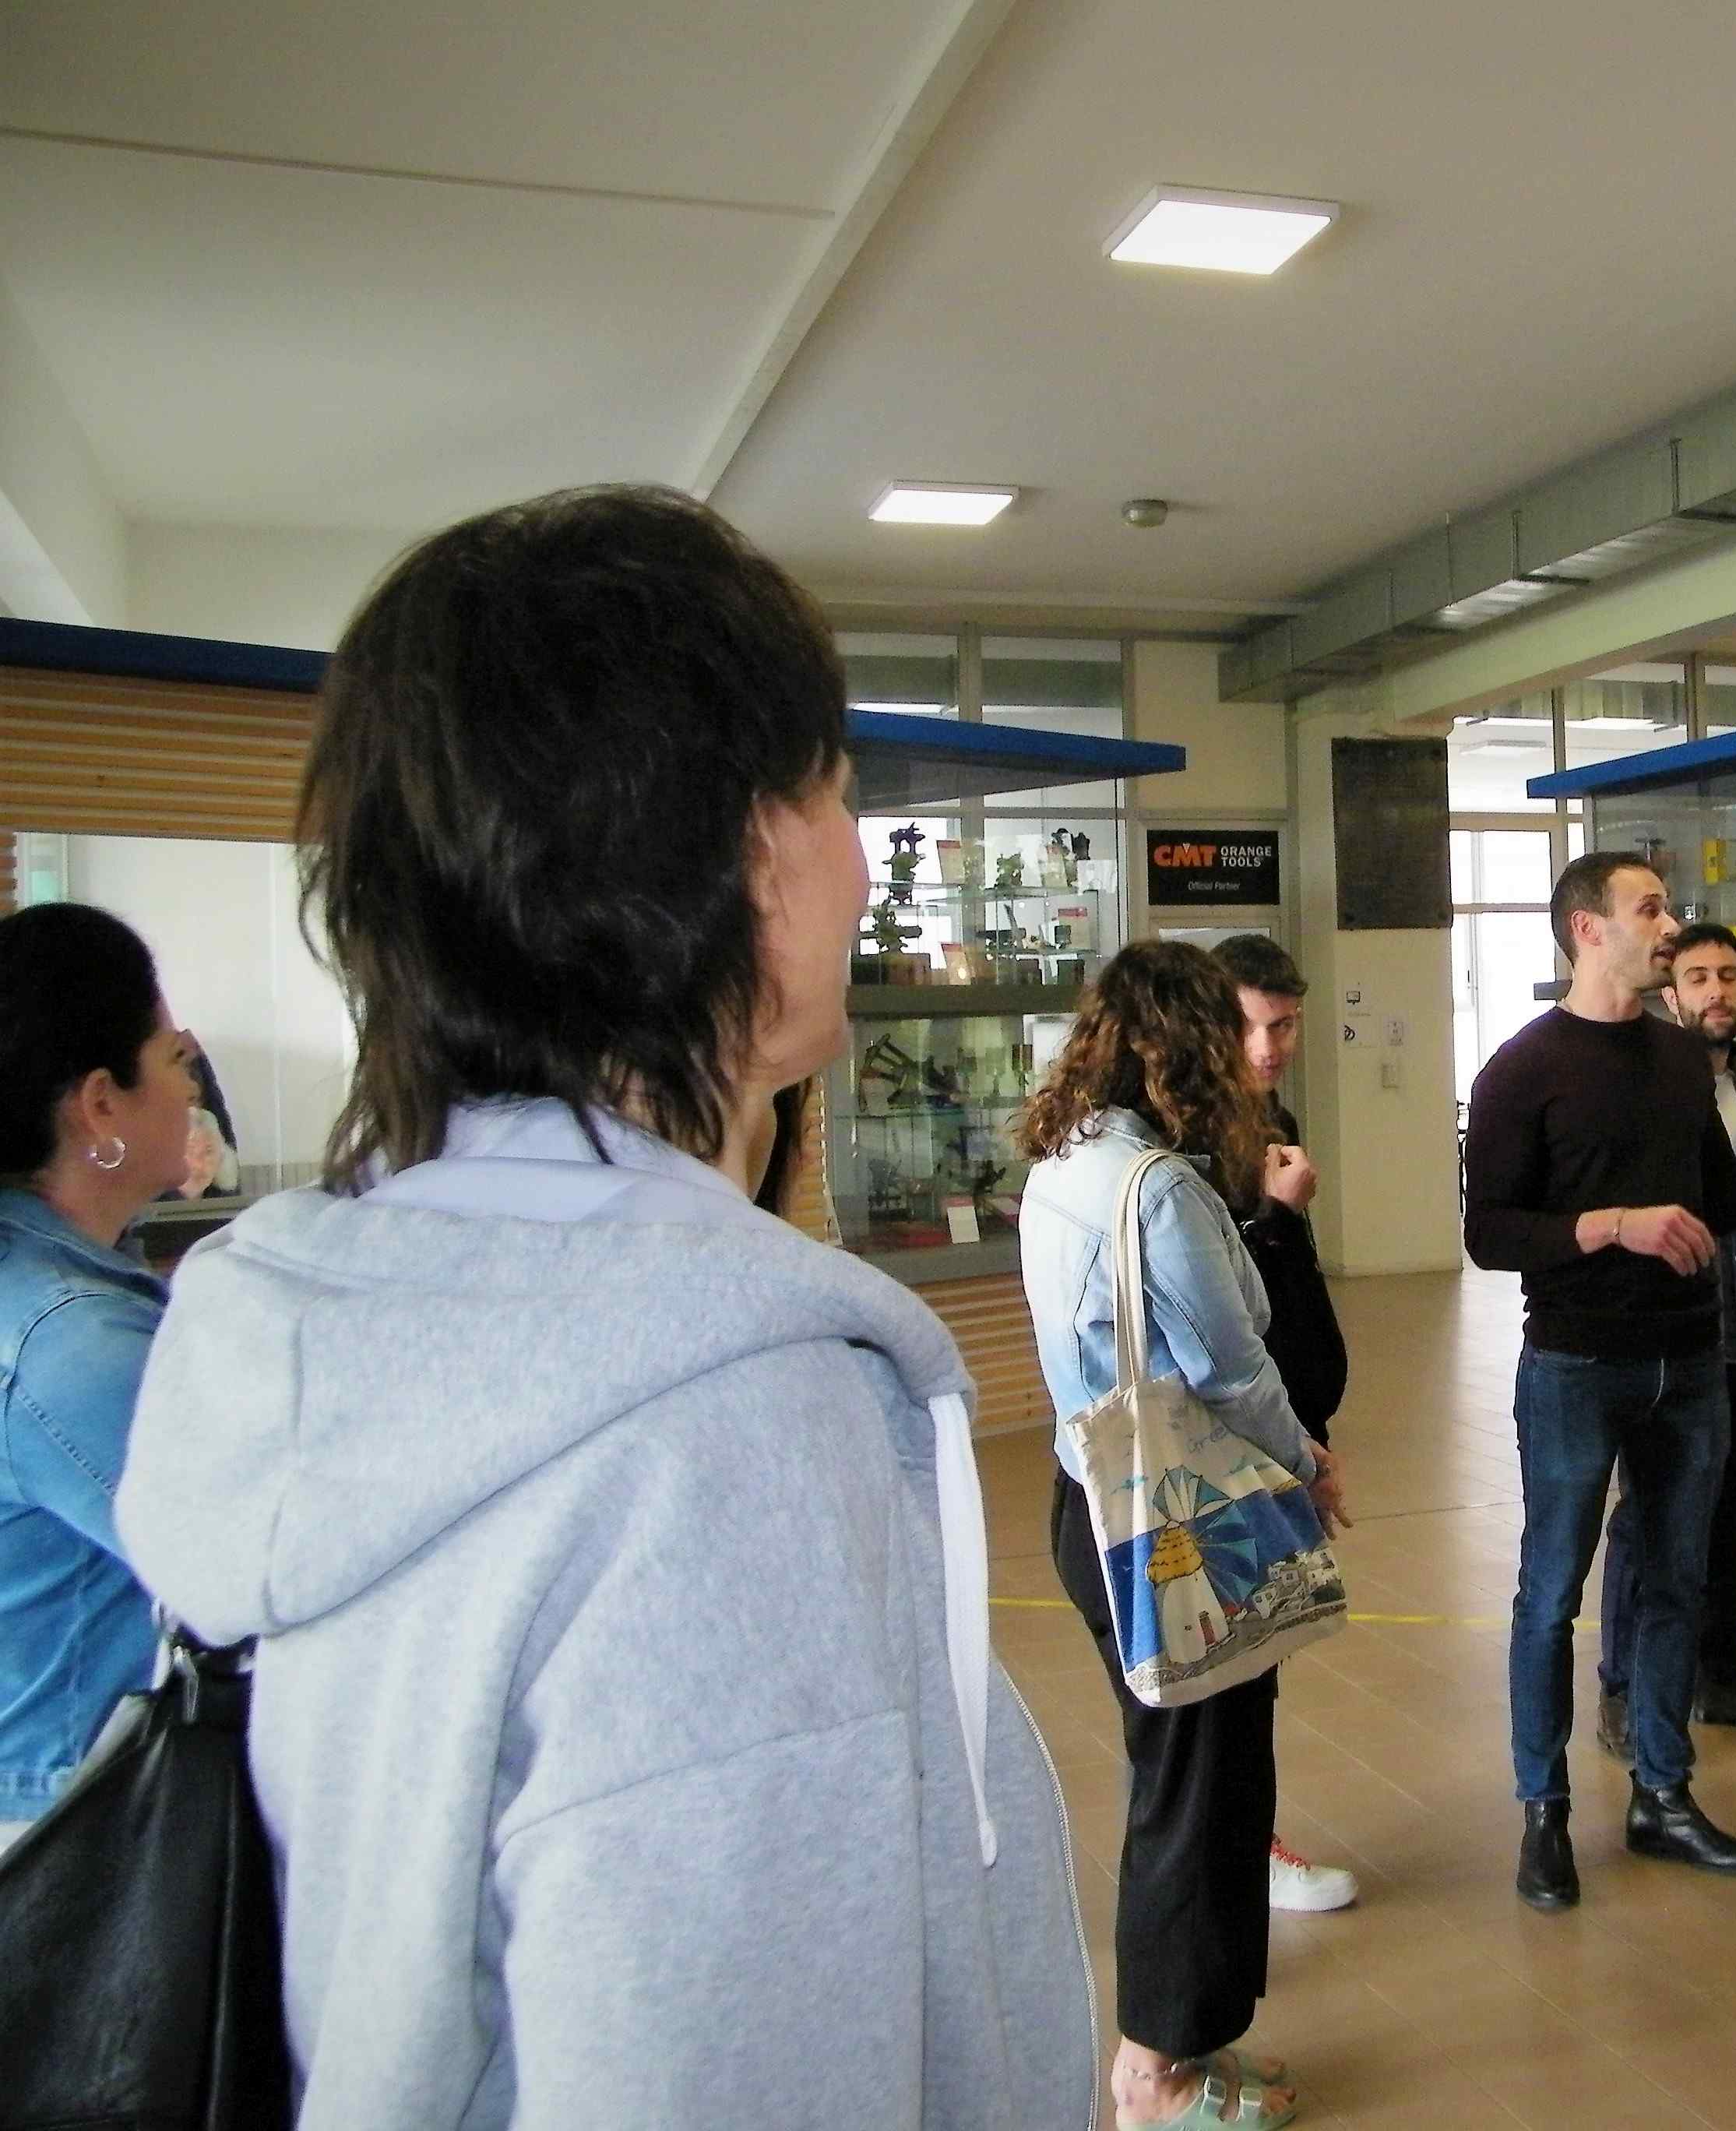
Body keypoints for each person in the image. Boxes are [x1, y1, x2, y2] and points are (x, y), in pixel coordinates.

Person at [111, 485, 1093, 2126]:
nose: (860, 859)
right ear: (741, 853)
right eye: (838, 792)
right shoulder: (719, 1434)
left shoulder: (346, 1323)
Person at [1463, 854, 1736, 1914]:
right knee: (1552, 1592)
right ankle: (1544, 1811)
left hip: (1689, 1362)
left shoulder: (1684, 1060)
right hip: (1576, 1364)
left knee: (1679, 1580)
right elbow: (1490, 1232)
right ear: (1587, 930)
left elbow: (1715, 1197)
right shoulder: (1522, 1070)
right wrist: (1611, 1226)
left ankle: (1664, 1795)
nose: (1671, 924)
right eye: (1650, 909)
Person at [1020, 940, 1347, 2131]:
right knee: (1197, 1790)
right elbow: (1228, 1364)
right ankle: (1153, 2076)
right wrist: (1306, 1460)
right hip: (1178, 1522)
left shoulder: (1066, 1157)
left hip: (1100, 1504)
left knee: (1186, 1774)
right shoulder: (1156, 1185)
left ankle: (1184, 2046)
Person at [0, 902, 195, 1855]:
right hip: (62, 1831)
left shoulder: (47, 1291)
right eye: (173, 1059)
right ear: (100, 1105)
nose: (191, 1089)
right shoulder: (70, 1341)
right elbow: (251, 1565)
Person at [1595, 922, 1736, 1756]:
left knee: (1728, 1514)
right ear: (1670, 992)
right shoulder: (1648, 1085)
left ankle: (1717, 1674)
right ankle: (1623, 1688)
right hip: (1670, 1337)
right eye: (1698, 977)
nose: (1717, 991)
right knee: (1647, 1520)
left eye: (1728, 975)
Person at [1210, 931, 1358, 1916]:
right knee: (1219, 1662)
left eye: (1286, 1024)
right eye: (1252, 1026)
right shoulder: (1183, 1146)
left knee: (1255, 1653)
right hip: (1224, 1435)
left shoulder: (1274, 1121)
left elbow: (1288, 1306)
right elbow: (1223, 1315)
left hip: (1275, 1424)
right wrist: (1275, 1220)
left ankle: (1240, 1844)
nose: (1270, 1047)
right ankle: (1235, 1856)